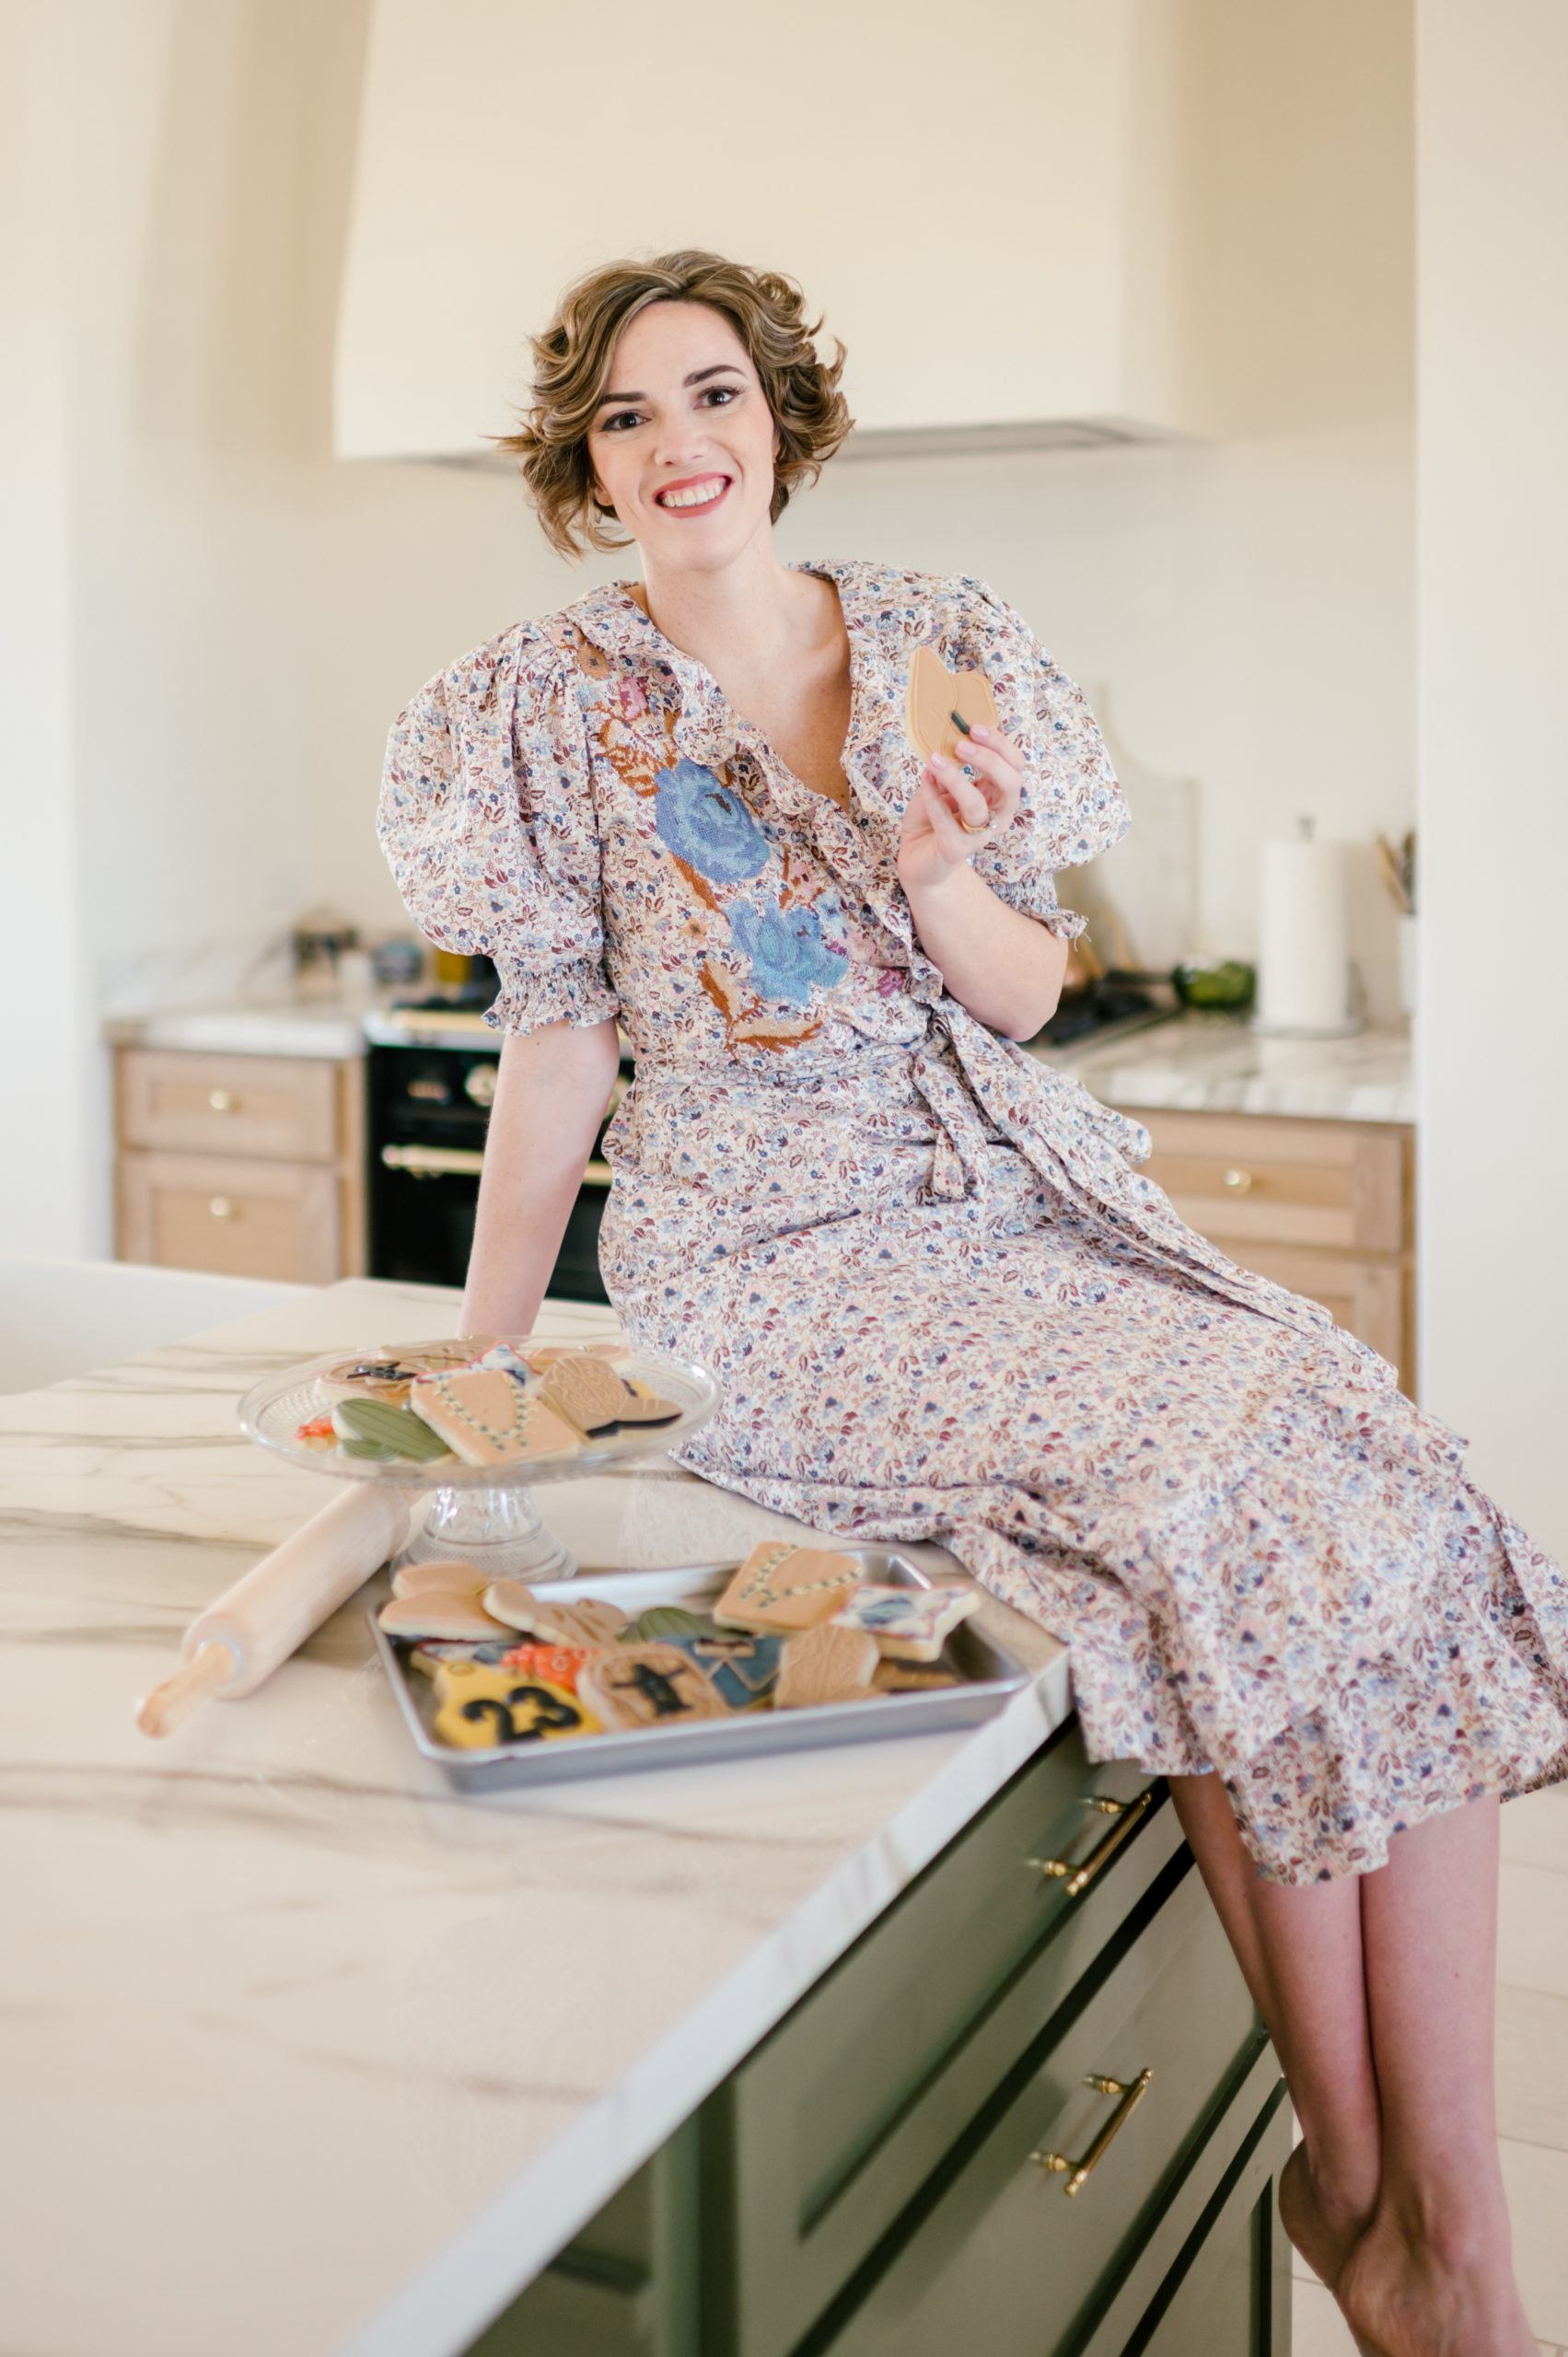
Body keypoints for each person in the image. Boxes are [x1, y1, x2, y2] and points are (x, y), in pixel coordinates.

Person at [378, 250, 1567, 2356]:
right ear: (587, 465)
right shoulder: (540, 706)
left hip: (1013, 1202)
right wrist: (489, 1379)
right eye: (629, 417)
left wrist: (934, 867)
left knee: (1353, 1430)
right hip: (768, 1265)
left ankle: (1425, 2198)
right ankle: (1388, 2200)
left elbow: (1029, 992)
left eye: (713, 394)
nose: (679, 444)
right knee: (1209, 1474)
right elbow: (560, 1050)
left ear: (784, 420)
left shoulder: (938, 641)